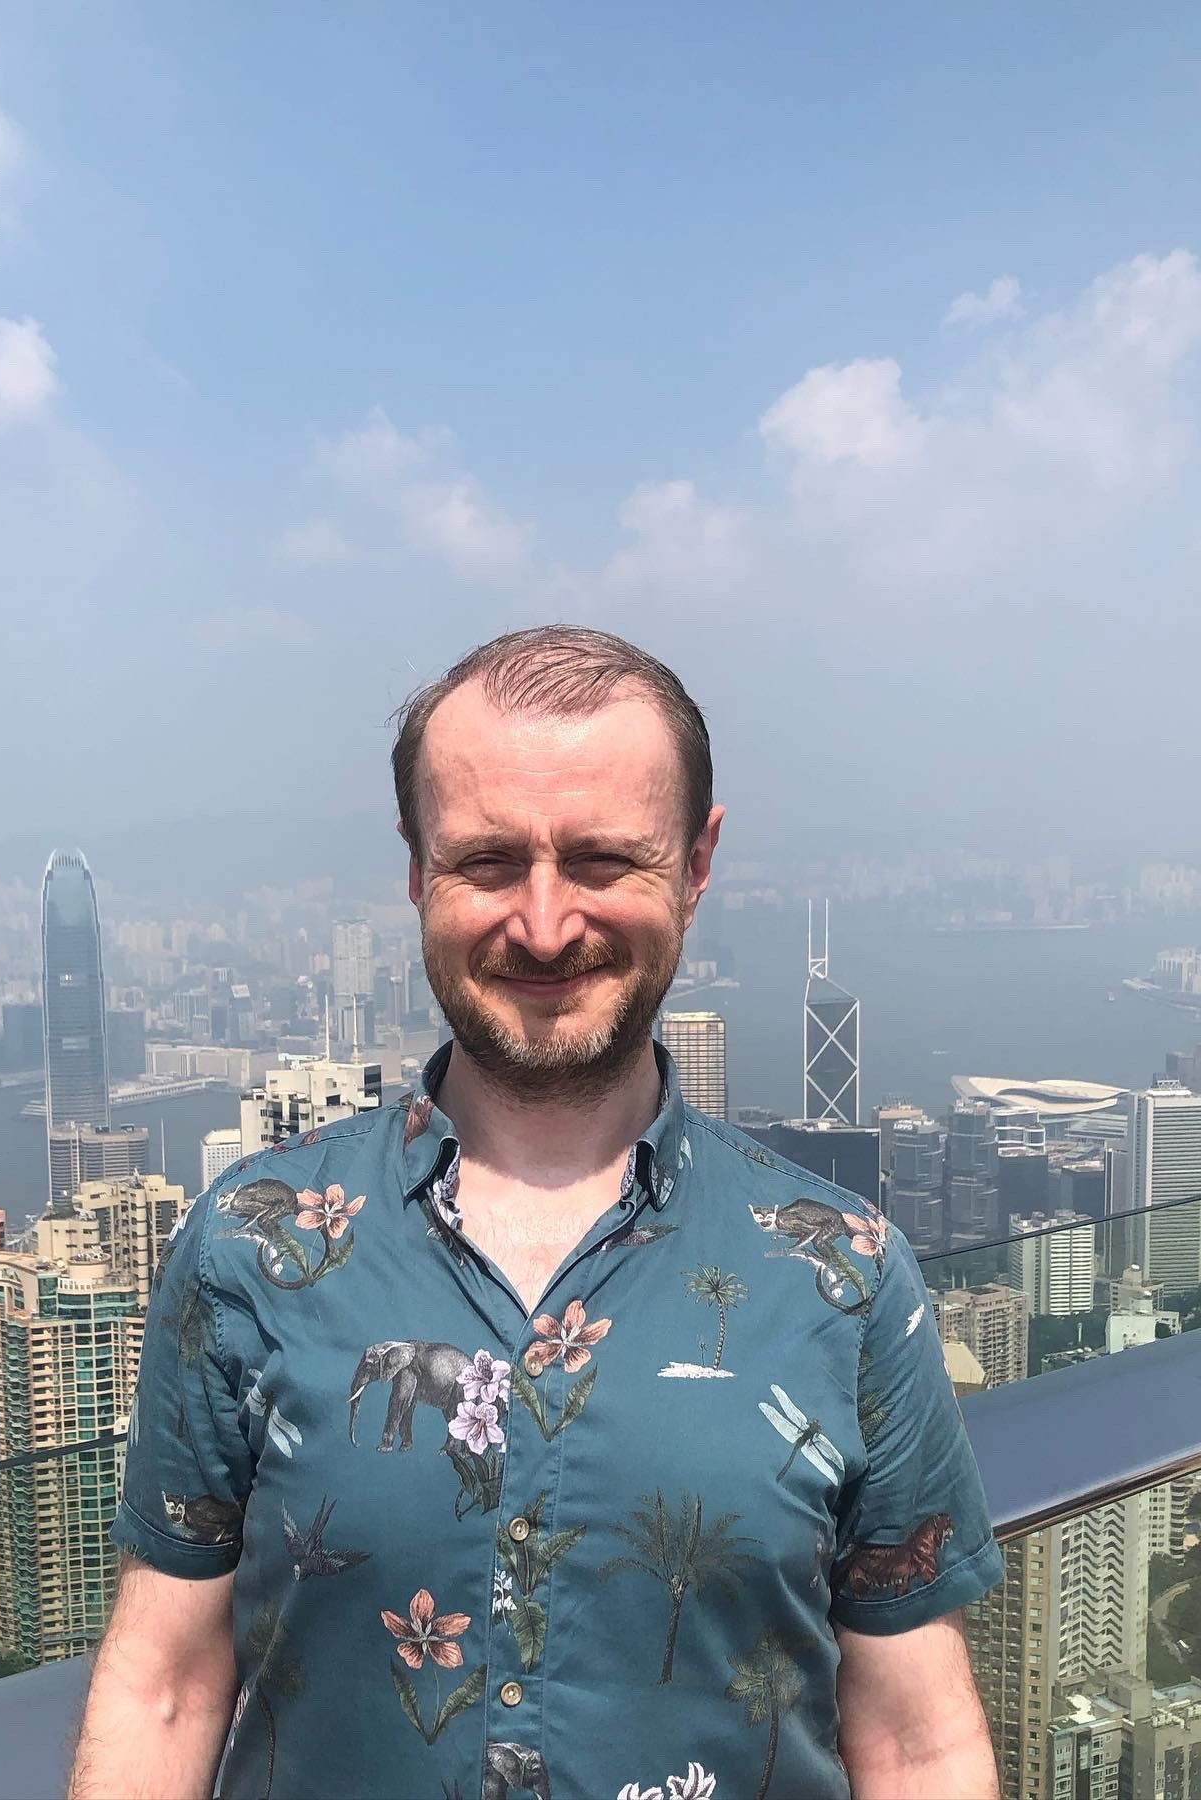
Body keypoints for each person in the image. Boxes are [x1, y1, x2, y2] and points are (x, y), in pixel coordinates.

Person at [69, 625, 1003, 1800]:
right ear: (416, 871)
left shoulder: (848, 1276)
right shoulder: (252, 1246)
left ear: (699, 866)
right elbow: (166, 1687)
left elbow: (917, 1739)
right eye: (489, 862)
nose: (548, 924)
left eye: (605, 860)